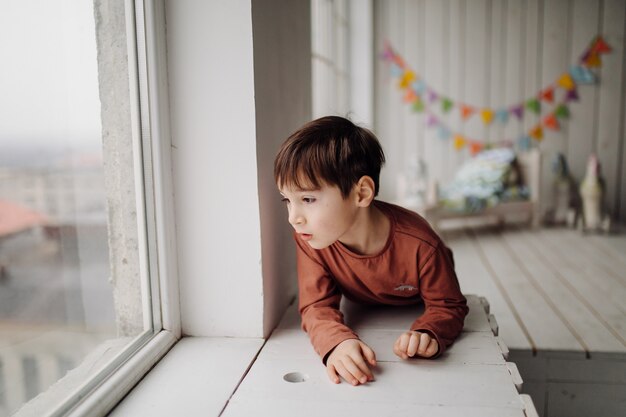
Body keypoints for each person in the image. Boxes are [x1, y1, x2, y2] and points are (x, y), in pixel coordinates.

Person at [274, 116, 468, 386]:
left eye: (307, 199)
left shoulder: (421, 245)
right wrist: (337, 342)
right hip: (364, 300)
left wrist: (430, 333)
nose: (293, 218)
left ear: (361, 193)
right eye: (287, 200)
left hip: (417, 296)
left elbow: (448, 305)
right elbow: (316, 305)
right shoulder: (312, 238)